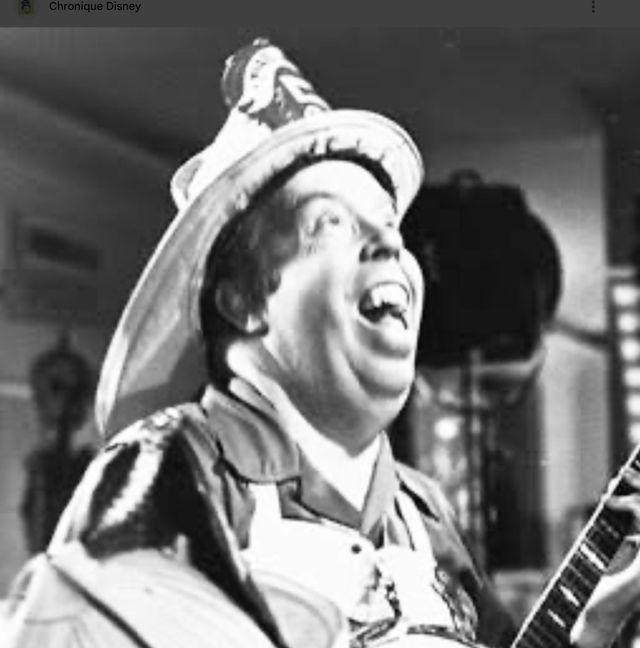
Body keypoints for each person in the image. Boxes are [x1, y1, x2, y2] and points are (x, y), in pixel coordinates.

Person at [6, 38, 640, 648]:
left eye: (388, 223)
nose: (390, 242)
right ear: (244, 300)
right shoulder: (173, 465)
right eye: (331, 224)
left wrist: (590, 630)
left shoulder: (421, 511)